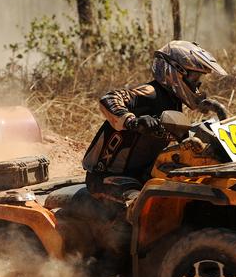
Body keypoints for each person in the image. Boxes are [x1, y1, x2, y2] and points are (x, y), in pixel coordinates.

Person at [82, 40, 227, 206]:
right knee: (146, 205)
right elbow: (109, 98)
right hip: (108, 177)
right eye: (194, 77)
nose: (197, 84)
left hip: (144, 173)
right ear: (175, 71)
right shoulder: (150, 92)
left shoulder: (174, 102)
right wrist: (132, 121)